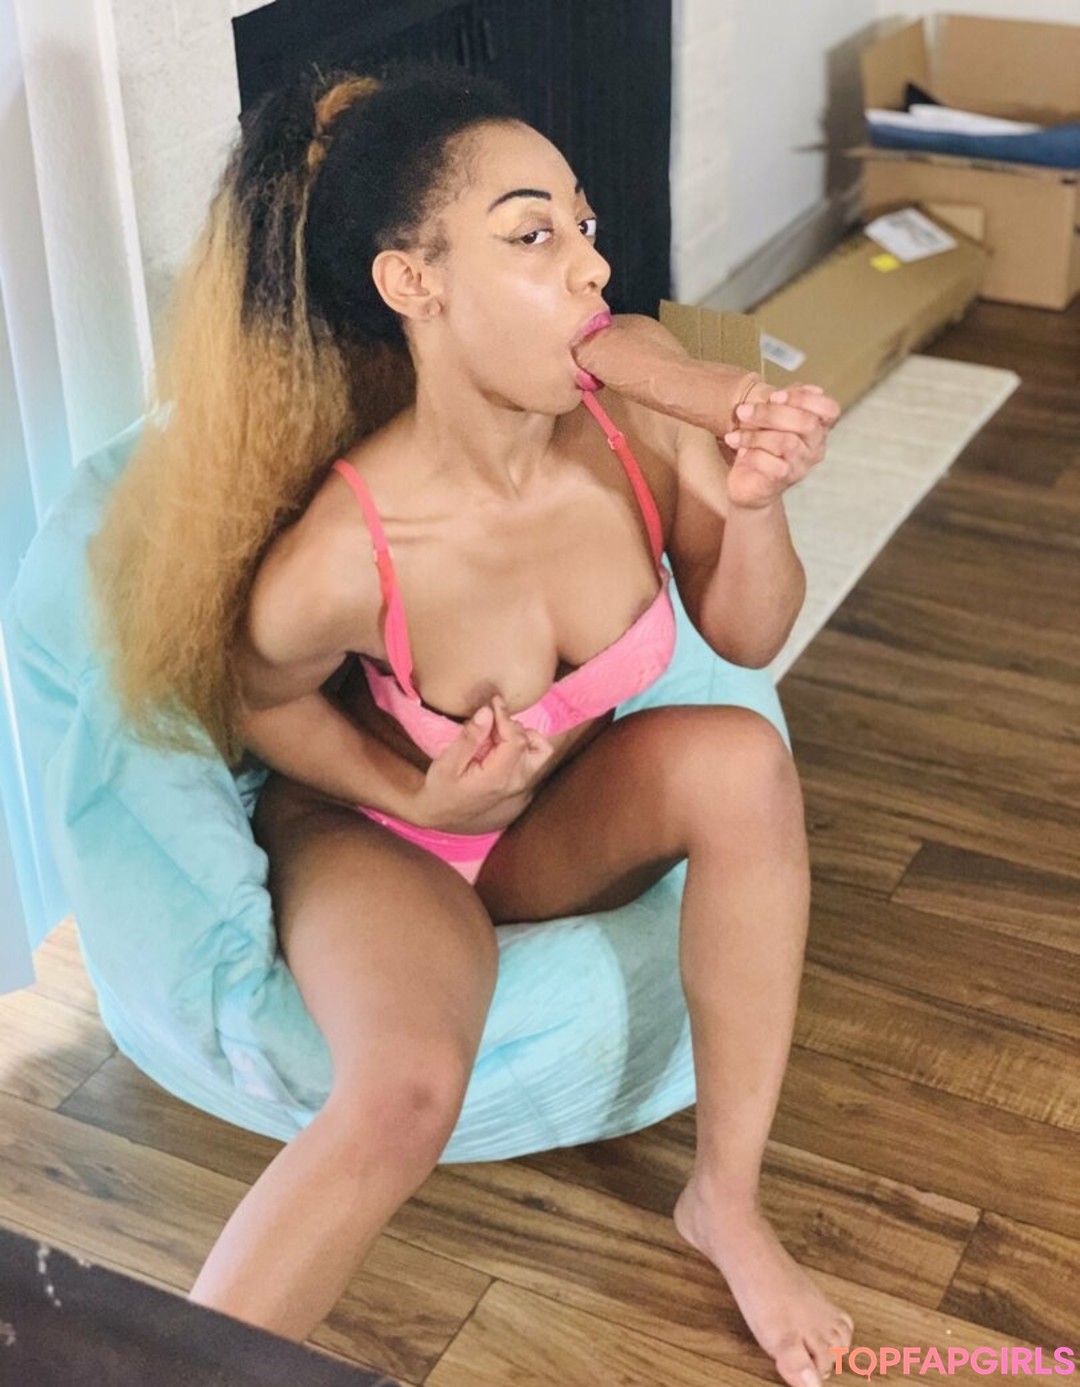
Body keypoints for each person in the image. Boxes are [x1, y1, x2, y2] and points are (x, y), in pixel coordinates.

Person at [89, 62, 853, 1387]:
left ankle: (724, 1201)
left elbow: (747, 638)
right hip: (380, 837)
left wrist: (753, 499)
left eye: (583, 223)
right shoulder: (344, 550)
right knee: (402, 1093)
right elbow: (259, 701)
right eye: (531, 234)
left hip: (548, 825)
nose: (588, 264)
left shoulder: (637, 413)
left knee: (743, 762)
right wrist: (415, 796)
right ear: (413, 283)